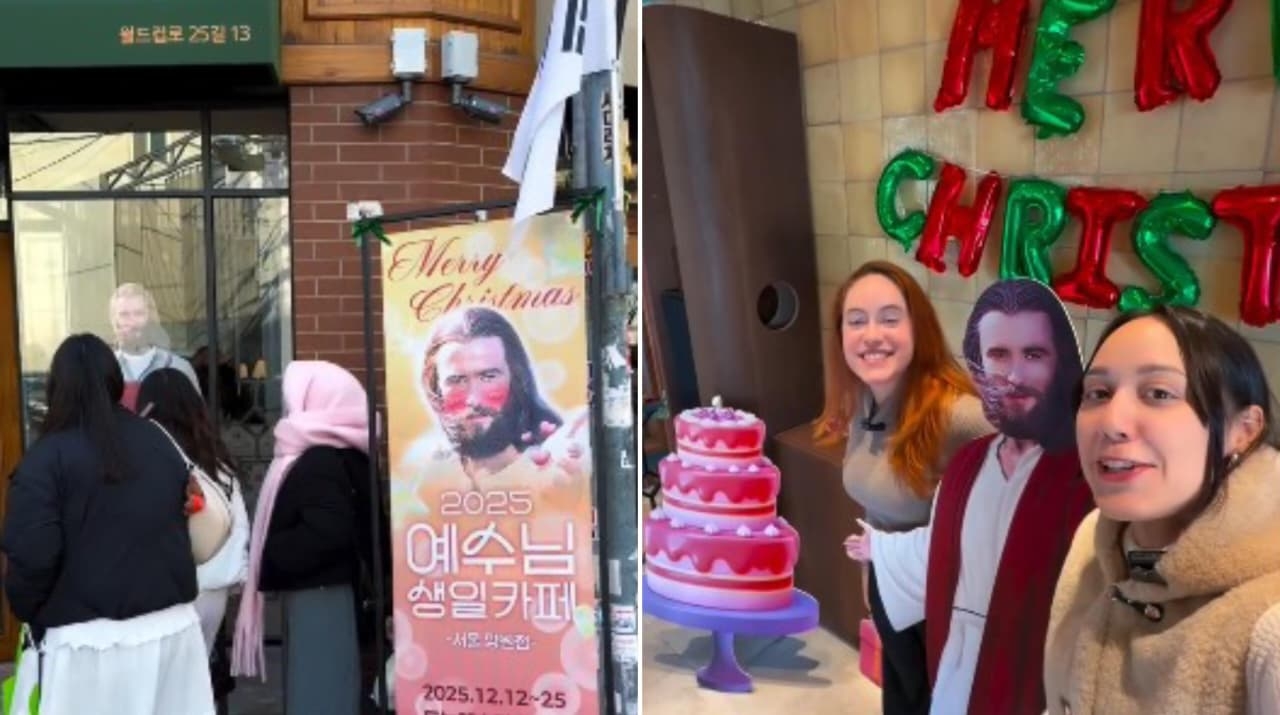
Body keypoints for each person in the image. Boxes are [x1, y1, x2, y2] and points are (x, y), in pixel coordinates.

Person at [845, 279, 1094, 714]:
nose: (1014, 375)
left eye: (1033, 355)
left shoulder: (1074, 473)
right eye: (998, 355)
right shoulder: (963, 461)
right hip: (933, 629)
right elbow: (946, 534)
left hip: (1014, 657)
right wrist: (881, 552)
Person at [1044, 306, 1280, 714]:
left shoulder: (1271, 626)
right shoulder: (1094, 543)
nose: (1112, 422)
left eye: (1158, 394)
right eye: (1097, 394)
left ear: (1243, 430)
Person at [1, 334, 214, 715]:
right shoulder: (158, 439)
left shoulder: (46, 458)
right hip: (173, 630)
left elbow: (32, 557)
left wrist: (30, 612)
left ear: (56, 386)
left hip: (88, 644)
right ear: (114, 379)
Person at [818, 261, 993, 714]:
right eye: (856, 321)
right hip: (888, 588)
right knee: (901, 697)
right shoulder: (862, 399)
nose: (872, 334)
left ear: (919, 328)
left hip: (944, 602)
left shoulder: (958, 415)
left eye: (890, 318)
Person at [231, 360, 376, 715]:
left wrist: (269, 553)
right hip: (331, 591)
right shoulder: (345, 450)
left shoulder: (319, 459)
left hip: (320, 595)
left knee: (318, 691)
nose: (288, 406)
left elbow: (327, 532)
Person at [402, 305, 588, 493]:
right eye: (457, 380)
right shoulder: (435, 477)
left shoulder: (552, 467)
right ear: (436, 388)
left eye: (489, 377)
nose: (474, 399)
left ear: (516, 379)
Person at [136, 367, 250, 654]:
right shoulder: (216, 460)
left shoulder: (148, 460)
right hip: (214, 585)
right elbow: (238, 524)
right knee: (200, 673)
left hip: (165, 588)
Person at [109, 282, 200, 409]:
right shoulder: (103, 371)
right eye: (124, 315)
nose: (132, 322)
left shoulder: (178, 367)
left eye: (138, 313)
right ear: (114, 320)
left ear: (150, 317)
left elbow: (195, 420)